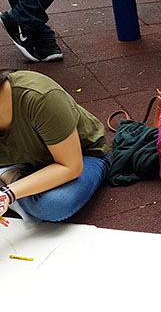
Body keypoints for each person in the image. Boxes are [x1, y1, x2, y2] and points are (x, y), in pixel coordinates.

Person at [0, 70, 111, 223]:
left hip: (83, 156)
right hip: (26, 158)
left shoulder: (40, 97)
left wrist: (8, 193)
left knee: (53, 205)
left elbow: (70, 167)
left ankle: (10, 177)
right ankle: (16, 182)